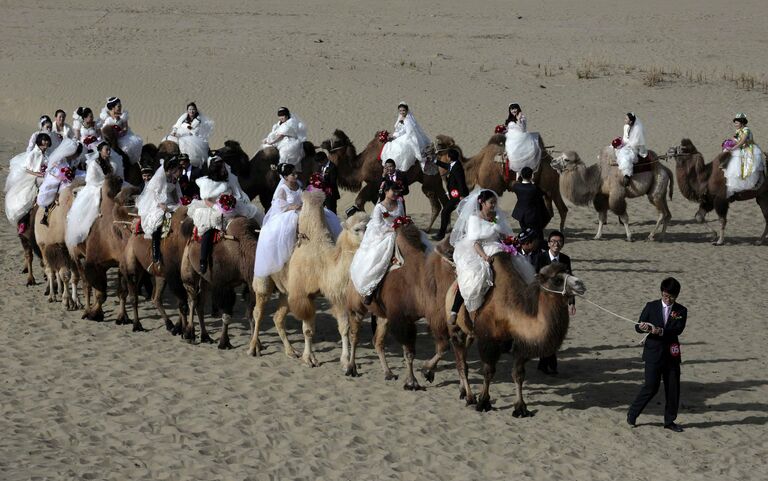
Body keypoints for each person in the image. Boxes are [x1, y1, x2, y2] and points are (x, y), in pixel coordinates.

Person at [448, 188, 535, 331]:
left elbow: (502, 235)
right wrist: (484, 256)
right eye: (491, 202)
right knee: (472, 276)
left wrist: (509, 242)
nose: (494, 205)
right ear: (482, 202)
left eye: (495, 202)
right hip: (478, 249)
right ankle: (454, 310)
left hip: (497, 246)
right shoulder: (474, 219)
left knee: (517, 266)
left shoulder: (496, 216)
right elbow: (475, 242)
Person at [254, 163, 342, 278]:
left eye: (296, 173)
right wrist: (292, 207)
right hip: (290, 214)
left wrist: (316, 187)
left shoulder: (299, 184)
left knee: (327, 217)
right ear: (285, 177)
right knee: (291, 226)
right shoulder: (282, 189)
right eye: (292, 174)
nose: (296, 176)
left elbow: (306, 193)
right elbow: (279, 206)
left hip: (304, 209)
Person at [627, 277, 688, 432]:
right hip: (653, 353)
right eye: (665, 296)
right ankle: (632, 414)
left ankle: (669, 421)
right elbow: (638, 326)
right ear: (662, 292)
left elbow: (678, 329)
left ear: (676, 296)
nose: (667, 299)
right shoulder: (651, 306)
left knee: (673, 388)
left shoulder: (681, 310)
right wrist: (643, 327)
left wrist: (661, 331)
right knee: (650, 387)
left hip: (671, 354)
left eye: (671, 297)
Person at [187, 156, 262, 274]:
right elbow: (207, 200)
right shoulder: (208, 183)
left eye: (223, 167)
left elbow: (237, 192)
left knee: (252, 214)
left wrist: (232, 201)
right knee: (209, 230)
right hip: (213, 208)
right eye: (221, 168)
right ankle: (203, 260)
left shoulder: (229, 179)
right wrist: (217, 207)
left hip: (231, 206)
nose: (224, 170)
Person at [350, 180, 406, 305]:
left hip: (399, 231)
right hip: (382, 234)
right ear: (386, 191)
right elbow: (378, 226)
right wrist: (393, 229)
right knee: (378, 259)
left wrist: (402, 225)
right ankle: (371, 290)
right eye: (393, 190)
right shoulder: (379, 207)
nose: (396, 193)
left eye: (397, 190)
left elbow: (402, 217)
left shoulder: (400, 203)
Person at [535, 230, 576, 374]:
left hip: (560, 302)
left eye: (559, 242)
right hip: (543, 302)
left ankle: (546, 362)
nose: (556, 244)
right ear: (548, 244)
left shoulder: (565, 259)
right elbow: (535, 278)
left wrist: (572, 302)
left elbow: (569, 281)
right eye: (553, 241)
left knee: (555, 332)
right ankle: (549, 363)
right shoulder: (540, 257)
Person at [65, 142, 121, 248]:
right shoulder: (94, 164)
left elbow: (116, 175)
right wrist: (104, 184)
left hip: (111, 186)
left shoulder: (113, 162)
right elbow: (90, 179)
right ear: (100, 151)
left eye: (109, 150)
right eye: (106, 150)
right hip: (95, 187)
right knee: (92, 204)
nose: (109, 152)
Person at [136, 156, 183, 269]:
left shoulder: (174, 178)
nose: (178, 171)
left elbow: (175, 193)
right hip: (156, 203)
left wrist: (181, 203)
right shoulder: (159, 177)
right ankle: (156, 254)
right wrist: (162, 206)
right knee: (158, 221)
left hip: (169, 202)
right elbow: (154, 192)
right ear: (171, 168)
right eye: (176, 168)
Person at [5, 133, 51, 234]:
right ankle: (23, 221)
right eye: (44, 140)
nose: (46, 142)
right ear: (39, 141)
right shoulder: (33, 154)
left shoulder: (46, 155)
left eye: (47, 140)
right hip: (32, 177)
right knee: (27, 200)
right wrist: (38, 174)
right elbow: (27, 169)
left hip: (42, 176)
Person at [37, 139, 83, 225]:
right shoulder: (60, 159)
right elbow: (54, 170)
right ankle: (47, 211)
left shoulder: (73, 161)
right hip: (56, 177)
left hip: (66, 178)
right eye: (76, 154)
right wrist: (64, 174)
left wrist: (69, 174)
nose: (76, 156)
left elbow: (73, 170)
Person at [380, 102, 431, 172]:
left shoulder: (408, 120)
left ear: (407, 110)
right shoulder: (400, 118)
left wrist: (400, 136)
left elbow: (409, 132)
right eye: (400, 110)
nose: (402, 112)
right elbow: (399, 130)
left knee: (400, 149)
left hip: (408, 136)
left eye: (403, 110)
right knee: (389, 145)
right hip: (401, 135)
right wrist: (394, 136)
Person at [723, 113, 765, 197]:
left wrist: (734, 147)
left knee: (749, 164)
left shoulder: (746, 130)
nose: (735, 124)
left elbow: (742, 141)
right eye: (735, 123)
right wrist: (729, 143)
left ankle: (758, 180)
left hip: (749, 148)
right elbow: (736, 139)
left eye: (736, 123)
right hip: (741, 148)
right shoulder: (738, 131)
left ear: (742, 123)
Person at [432, 149, 470, 241]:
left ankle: (441, 234)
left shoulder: (457, 168)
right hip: (455, 195)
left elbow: (461, 182)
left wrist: (461, 196)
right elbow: (446, 166)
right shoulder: (454, 165)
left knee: (445, 212)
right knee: (460, 214)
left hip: (458, 196)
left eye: (447, 156)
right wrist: (435, 161)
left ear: (449, 157)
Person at [165, 102, 214, 168]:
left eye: (193, 109)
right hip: (180, 136)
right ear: (187, 110)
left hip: (194, 138)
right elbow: (177, 126)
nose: (191, 111)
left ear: (196, 110)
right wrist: (174, 132)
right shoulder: (183, 118)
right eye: (190, 109)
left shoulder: (199, 120)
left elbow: (200, 132)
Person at [511, 166, 552, 244]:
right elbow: (543, 194)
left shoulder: (516, 187)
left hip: (521, 215)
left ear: (521, 175)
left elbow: (517, 183)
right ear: (531, 176)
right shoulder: (534, 188)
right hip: (532, 216)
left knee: (525, 233)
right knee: (537, 234)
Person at [100, 96, 143, 164]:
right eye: (118, 106)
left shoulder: (123, 116)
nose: (120, 108)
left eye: (120, 106)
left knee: (126, 150)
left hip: (123, 137)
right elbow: (104, 130)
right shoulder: (107, 118)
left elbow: (125, 128)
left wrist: (120, 133)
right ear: (113, 107)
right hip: (111, 139)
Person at [504, 103, 541, 176]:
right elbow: (508, 128)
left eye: (515, 108)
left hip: (519, 136)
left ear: (518, 109)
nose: (513, 110)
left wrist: (518, 119)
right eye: (512, 109)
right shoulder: (510, 119)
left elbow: (523, 129)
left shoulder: (522, 117)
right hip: (510, 136)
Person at [615, 112, 648, 186]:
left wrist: (642, 153)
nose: (624, 120)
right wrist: (620, 142)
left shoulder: (637, 130)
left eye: (626, 119)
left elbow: (639, 144)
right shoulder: (625, 127)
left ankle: (627, 176)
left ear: (631, 121)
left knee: (625, 158)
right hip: (625, 145)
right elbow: (625, 138)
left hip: (633, 149)